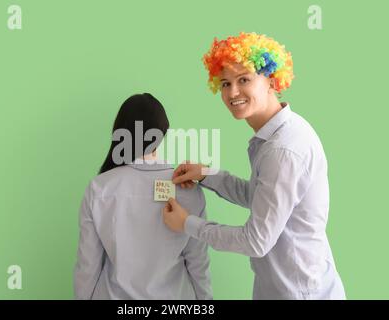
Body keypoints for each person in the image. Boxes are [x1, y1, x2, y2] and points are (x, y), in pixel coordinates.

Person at [162, 32, 346, 299]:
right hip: (284, 286)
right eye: (225, 83)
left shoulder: (283, 150)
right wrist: (207, 174)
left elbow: (255, 240)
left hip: (297, 293)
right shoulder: (276, 136)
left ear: (271, 81)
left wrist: (187, 223)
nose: (232, 92)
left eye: (244, 80)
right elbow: (262, 199)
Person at [74, 93, 212, 299]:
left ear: (120, 133)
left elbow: (88, 266)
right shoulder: (187, 188)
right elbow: (198, 263)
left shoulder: (99, 188)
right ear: (163, 132)